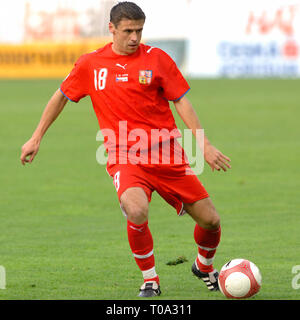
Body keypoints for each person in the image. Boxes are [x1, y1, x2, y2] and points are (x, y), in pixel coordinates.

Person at [20, 1, 231, 298]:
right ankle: (150, 280)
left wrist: (204, 144)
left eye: (139, 30)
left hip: (167, 155)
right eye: (128, 31)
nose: (135, 37)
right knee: (136, 208)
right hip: (125, 157)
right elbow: (61, 96)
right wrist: (36, 137)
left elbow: (181, 100)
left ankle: (204, 266)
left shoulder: (157, 59)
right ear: (112, 29)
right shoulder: (90, 64)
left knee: (211, 221)